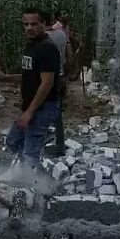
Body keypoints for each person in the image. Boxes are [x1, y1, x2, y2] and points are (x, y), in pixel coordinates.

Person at [4, 7, 60, 172]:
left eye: (34, 24)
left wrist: (29, 112)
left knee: (30, 153)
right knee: (13, 142)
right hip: (31, 106)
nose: (29, 28)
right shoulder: (32, 45)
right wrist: (7, 78)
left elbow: (47, 83)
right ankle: (22, 173)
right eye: (26, 24)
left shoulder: (47, 48)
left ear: (44, 24)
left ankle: (35, 183)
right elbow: (30, 75)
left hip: (42, 108)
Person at [45, 11, 70, 156]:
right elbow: (67, 55)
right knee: (57, 112)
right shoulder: (61, 34)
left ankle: (46, 139)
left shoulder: (44, 38)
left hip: (47, 78)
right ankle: (59, 143)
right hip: (59, 76)